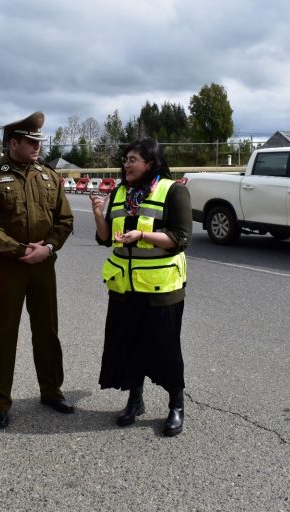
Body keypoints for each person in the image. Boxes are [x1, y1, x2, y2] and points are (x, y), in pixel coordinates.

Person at [0, 111, 74, 429]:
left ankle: (51, 391)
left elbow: (64, 219)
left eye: (39, 142)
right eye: (31, 142)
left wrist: (49, 248)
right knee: (6, 334)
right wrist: (19, 251)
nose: (37, 147)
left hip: (44, 264)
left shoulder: (48, 176)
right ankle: (0, 401)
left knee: (47, 331)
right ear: (13, 143)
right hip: (9, 267)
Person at [90, 139, 192, 437]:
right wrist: (98, 213)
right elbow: (106, 239)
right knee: (130, 344)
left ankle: (176, 404)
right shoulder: (121, 192)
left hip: (161, 288)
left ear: (150, 163)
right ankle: (135, 400)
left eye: (133, 159)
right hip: (125, 286)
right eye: (125, 158)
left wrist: (142, 234)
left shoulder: (173, 191)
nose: (126, 164)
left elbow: (181, 237)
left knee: (166, 348)